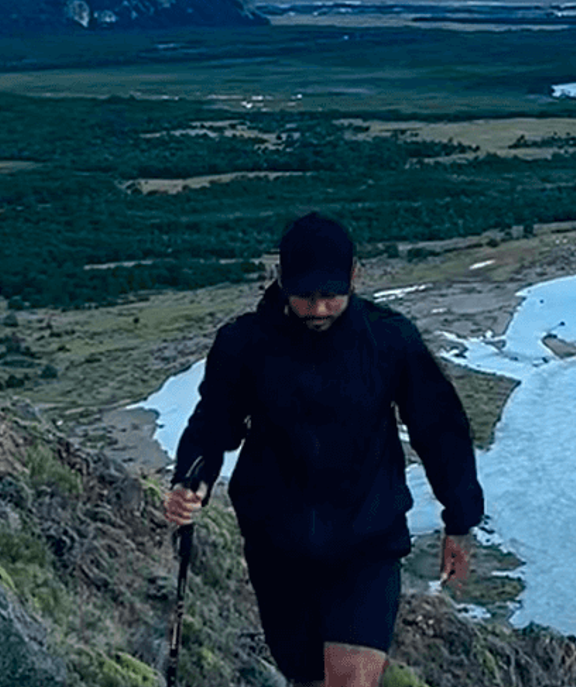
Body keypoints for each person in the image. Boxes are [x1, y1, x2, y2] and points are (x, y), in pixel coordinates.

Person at [165, 212, 484, 687]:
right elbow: (215, 422)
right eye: (304, 296)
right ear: (279, 277)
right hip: (277, 544)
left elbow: (439, 428)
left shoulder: (389, 339)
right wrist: (191, 480)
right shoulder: (244, 343)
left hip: (366, 540)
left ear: (355, 274)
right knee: (308, 679)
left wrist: (459, 520)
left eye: (330, 295)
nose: (317, 309)